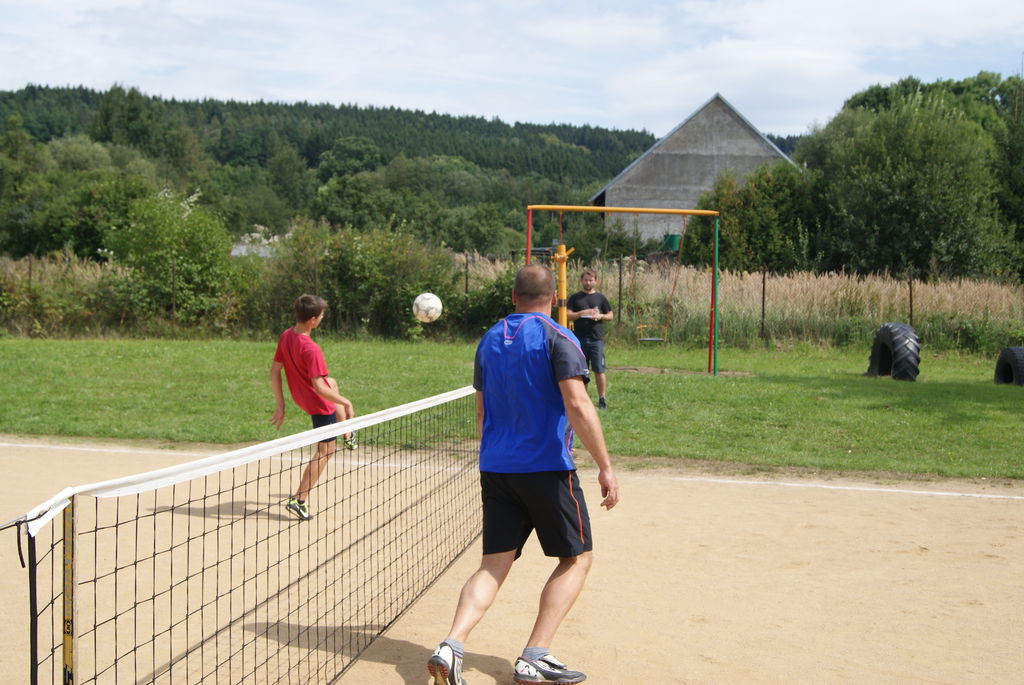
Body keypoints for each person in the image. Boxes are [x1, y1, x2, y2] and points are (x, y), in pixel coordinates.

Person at [427, 264, 619, 685]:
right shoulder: (559, 337)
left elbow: (481, 412)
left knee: (492, 565)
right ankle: (535, 655)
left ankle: (451, 644)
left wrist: (497, 456)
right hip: (547, 468)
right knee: (577, 558)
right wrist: (605, 466)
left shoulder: (489, 340)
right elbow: (578, 404)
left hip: (497, 467)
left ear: (514, 297)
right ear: (554, 298)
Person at [269, 294, 357, 521]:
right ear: (312, 320)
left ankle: (347, 434)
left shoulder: (287, 335)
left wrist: (281, 404)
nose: (322, 318)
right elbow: (319, 388)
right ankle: (299, 500)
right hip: (318, 404)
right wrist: (346, 402)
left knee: (332, 382)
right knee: (325, 452)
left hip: (300, 396)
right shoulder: (311, 349)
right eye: (321, 315)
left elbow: (275, 371)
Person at [566, 269, 614, 410]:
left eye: (591, 280)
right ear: (581, 281)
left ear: (595, 281)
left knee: (599, 369)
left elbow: (610, 315)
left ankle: (602, 399)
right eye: (586, 280)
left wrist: (601, 316)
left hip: (596, 339)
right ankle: (584, 399)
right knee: (582, 371)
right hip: (579, 339)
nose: (588, 282)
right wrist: (582, 313)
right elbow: (567, 315)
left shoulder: (600, 298)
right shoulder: (575, 298)